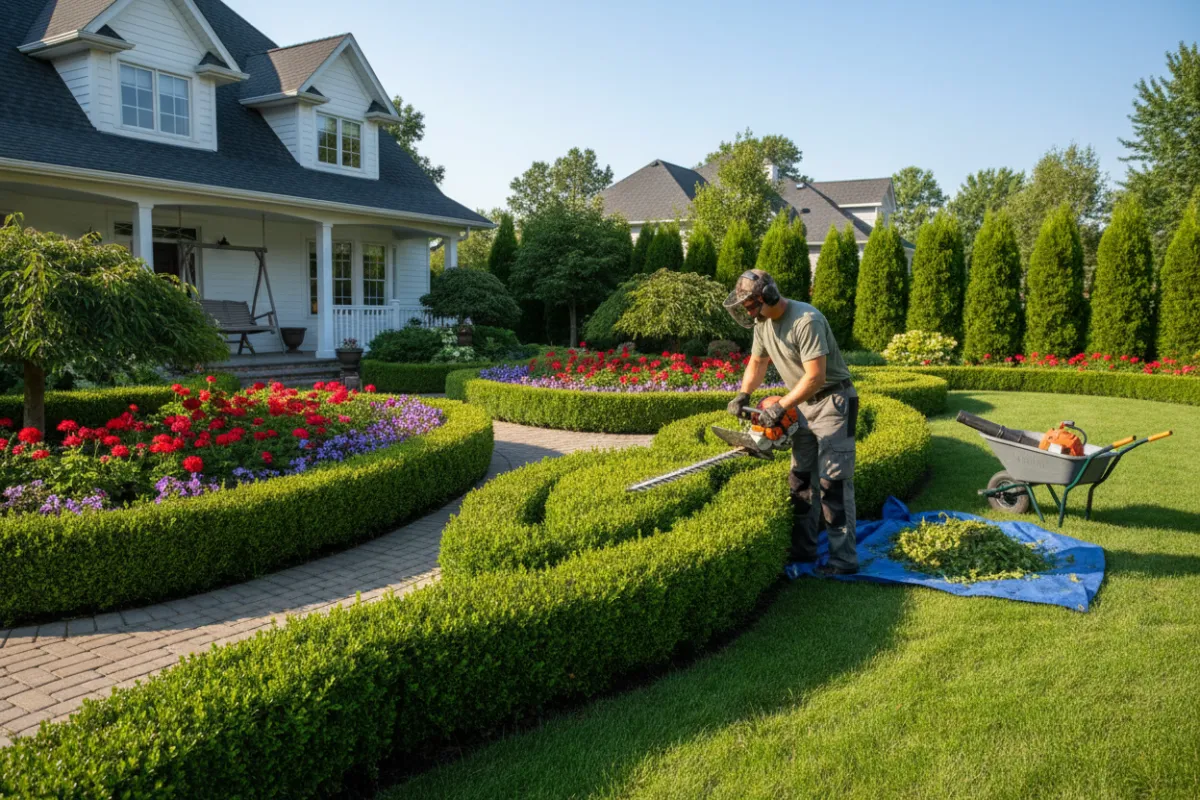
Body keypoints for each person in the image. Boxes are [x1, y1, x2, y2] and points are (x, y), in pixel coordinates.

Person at [723, 268, 859, 575]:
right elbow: (757, 363)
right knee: (800, 480)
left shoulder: (804, 320)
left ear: (767, 295)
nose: (747, 310)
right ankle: (803, 552)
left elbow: (816, 376)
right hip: (803, 404)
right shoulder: (762, 325)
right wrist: (744, 394)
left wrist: (782, 405)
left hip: (832, 403)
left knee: (832, 484)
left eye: (749, 303)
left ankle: (843, 561)